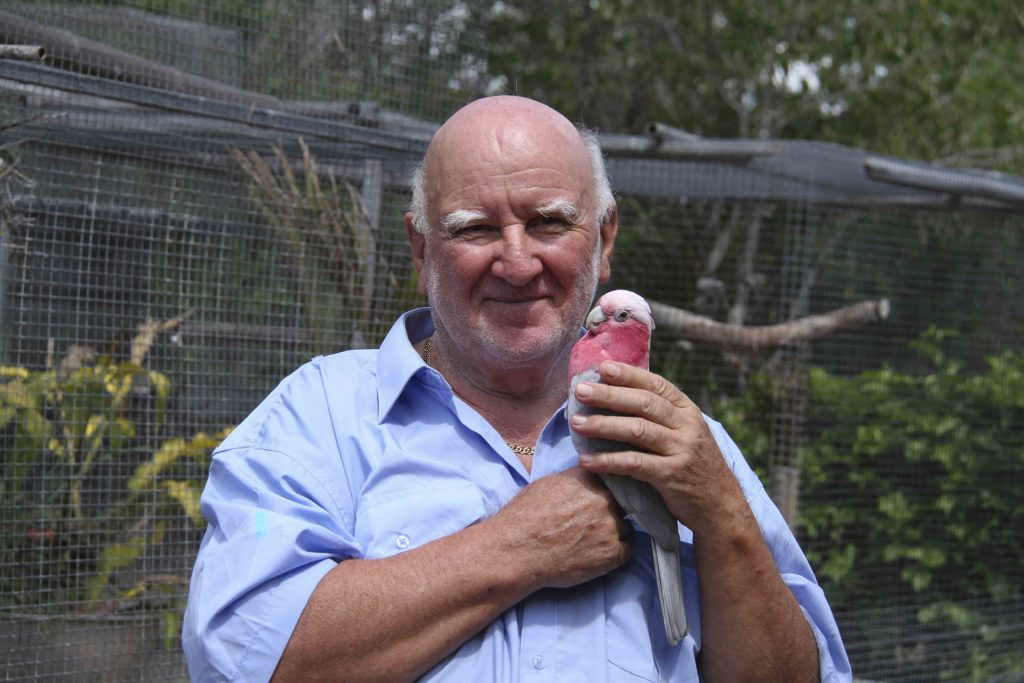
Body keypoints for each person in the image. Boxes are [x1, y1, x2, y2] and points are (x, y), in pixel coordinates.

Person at [182, 95, 851, 683]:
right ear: (421, 250)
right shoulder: (318, 418)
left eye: (549, 222)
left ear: (604, 239)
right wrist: (521, 546)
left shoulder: (683, 442)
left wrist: (721, 514)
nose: (518, 260)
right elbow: (241, 653)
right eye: (474, 227)